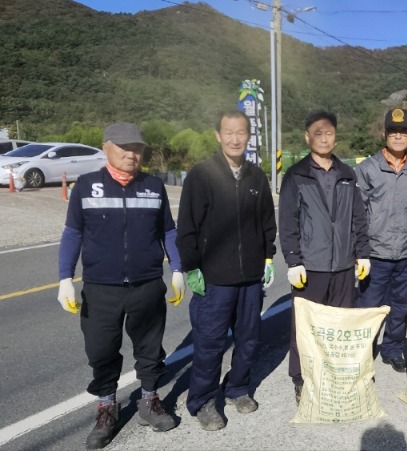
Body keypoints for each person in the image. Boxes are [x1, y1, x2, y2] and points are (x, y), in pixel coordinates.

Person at [57, 122, 184, 449]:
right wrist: (64, 279)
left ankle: (150, 401)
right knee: (101, 351)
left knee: (150, 349)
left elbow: (168, 231)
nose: (132, 154)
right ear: (106, 147)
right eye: (125, 147)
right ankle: (106, 407)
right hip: (101, 288)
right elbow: (72, 233)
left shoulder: (153, 186)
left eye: (138, 148)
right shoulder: (85, 186)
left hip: (146, 285)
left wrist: (179, 268)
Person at [177, 110, 277, 430]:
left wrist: (267, 258)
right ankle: (203, 400)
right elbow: (188, 227)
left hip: (249, 278)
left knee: (249, 339)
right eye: (228, 132)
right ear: (218, 135)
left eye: (241, 132)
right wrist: (191, 267)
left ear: (249, 136)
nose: (235, 138)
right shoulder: (202, 174)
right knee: (210, 342)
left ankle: (237, 388)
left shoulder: (256, 176)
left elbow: (266, 223)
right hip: (214, 278)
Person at [279, 110, 371, 404]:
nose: (323, 138)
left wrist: (363, 254)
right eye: (317, 133)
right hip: (311, 267)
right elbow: (289, 222)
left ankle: (335, 378)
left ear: (335, 137)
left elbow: (358, 217)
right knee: (305, 328)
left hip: (344, 266)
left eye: (328, 133)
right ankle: (302, 380)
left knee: (340, 327)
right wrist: (293, 261)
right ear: (308, 138)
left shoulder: (347, 174)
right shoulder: (296, 175)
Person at [355, 108, 407, 373]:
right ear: (385, 135)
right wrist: (359, 251)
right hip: (375, 253)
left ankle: (392, 348)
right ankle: (363, 350)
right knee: (368, 306)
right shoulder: (367, 169)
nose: (398, 137)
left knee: (400, 306)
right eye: (393, 132)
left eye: (403, 132)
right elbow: (357, 214)